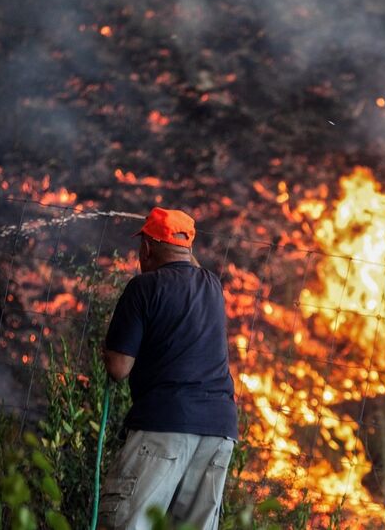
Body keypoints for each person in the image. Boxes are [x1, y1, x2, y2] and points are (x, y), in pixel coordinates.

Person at [98, 207, 238, 530]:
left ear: (146, 248)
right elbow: (189, 266)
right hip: (220, 430)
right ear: (189, 250)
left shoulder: (143, 288)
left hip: (165, 426)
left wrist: (107, 352)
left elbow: (119, 368)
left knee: (127, 523)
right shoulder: (212, 287)